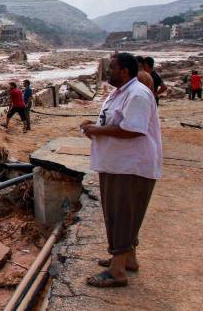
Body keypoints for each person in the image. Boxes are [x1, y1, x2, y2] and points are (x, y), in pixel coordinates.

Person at [80, 52, 162, 288]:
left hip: (130, 166)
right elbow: (113, 122)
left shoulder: (137, 94)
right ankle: (128, 259)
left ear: (124, 71)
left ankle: (117, 271)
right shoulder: (121, 92)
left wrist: (97, 131)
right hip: (116, 163)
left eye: (112, 68)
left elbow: (133, 129)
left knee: (123, 214)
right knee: (119, 213)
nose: (108, 72)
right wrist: (94, 127)